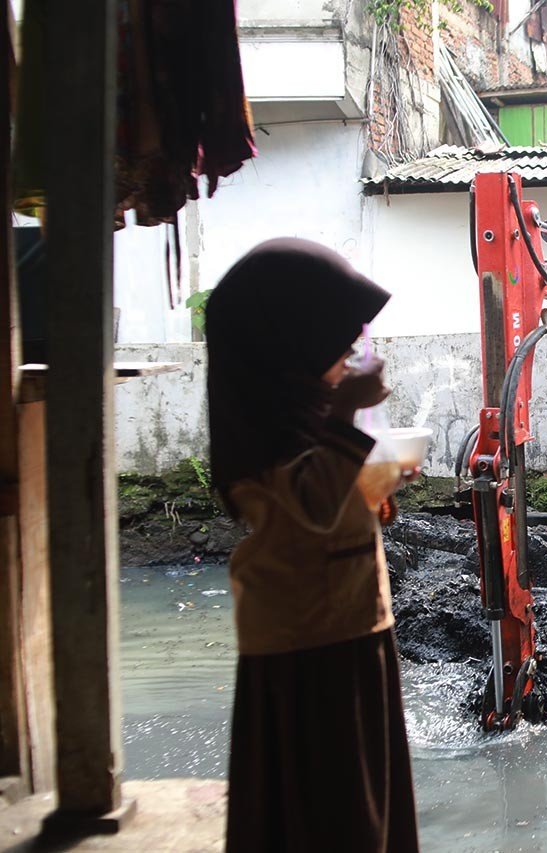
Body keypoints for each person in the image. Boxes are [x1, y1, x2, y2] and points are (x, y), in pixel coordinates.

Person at [206, 239, 419, 853]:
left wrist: (373, 484)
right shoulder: (263, 431)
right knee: (330, 814)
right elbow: (307, 512)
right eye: (338, 339)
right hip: (308, 644)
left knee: (363, 804)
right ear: (290, 343)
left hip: (350, 626)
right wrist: (347, 413)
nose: (354, 351)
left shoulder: (304, 416)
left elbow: (330, 501)